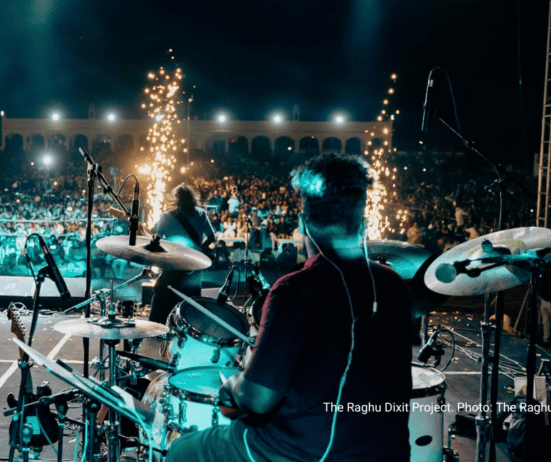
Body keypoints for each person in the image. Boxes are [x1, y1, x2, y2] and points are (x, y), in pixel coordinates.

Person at [166, 154, 414, 462]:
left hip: (303, 454)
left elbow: (258, 400)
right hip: (386, 452)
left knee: (182, 450)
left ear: (303, 223)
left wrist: (233, 384)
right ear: (362, 222)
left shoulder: (295, 289)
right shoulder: (392, 285)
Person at [148, 183, 216, 325]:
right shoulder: (201, 213)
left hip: (173, 263)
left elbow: (155, 236)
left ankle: (157, 327)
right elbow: (211, 237)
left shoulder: (167, 216)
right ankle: (191, 330)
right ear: (192, 198)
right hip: (193, 264)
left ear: (176, 199)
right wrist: (198, 250)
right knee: (192, 300)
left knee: (161, 292)